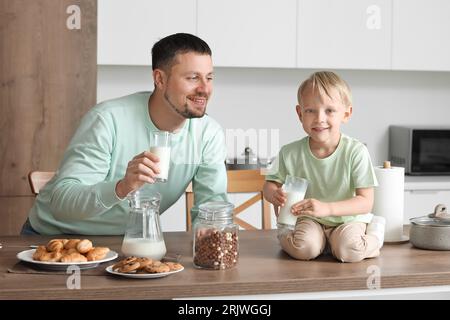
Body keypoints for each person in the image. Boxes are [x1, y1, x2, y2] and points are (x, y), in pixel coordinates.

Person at [22, 33, 228, 235]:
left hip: (125, 243)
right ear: (160, 79)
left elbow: (212, 206)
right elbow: (63, 203)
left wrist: (210, 237)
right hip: (54, 240)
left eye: (209, 78)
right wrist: (122, 187)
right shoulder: (107, 119)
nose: (205, 89)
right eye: (193, 78)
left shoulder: (208, 134)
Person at [263, 71, 385, 263]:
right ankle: (302, 238)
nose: (319, 118)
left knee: (349, 251)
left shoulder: (356, 151)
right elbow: (270, 185)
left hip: (348, 219)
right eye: (310, 110)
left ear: (346, 114)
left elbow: (365, 202)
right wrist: (274, 195)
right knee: (304, 249)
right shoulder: (289, 152)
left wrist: (327, 208)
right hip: (309, 219)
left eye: (329, 110)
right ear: (299, 113)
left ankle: (375, 235)